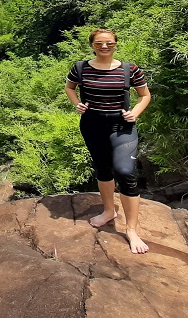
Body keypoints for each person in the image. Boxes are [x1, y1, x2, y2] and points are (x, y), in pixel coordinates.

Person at [65, 28, 152, 254]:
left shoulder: (129, 69)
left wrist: (136, 113)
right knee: (103, 169)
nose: (105, 47)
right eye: (100, 43)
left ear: (115, 44)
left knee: (124, 171)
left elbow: (145, 95)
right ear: (92, 44)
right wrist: (77, 104)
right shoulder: (81, 68)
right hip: (92, 124)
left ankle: (131, 231)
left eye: (109, 43)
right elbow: (69, 87)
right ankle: (108, 211)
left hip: (121, 126)